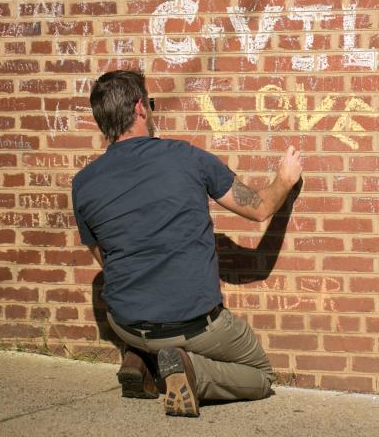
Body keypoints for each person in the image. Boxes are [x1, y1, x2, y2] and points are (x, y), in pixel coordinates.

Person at [72, 69, 303, 417]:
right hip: (193, 327)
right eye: (149, 103)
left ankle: (141, 359)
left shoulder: (83, 183)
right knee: (260, 374)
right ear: (139, 108)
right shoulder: (187, 158)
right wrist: (284, 180)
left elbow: (107, 259)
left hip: (126, 324)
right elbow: (260, 209)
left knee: (147, 333)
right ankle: (194, 374)